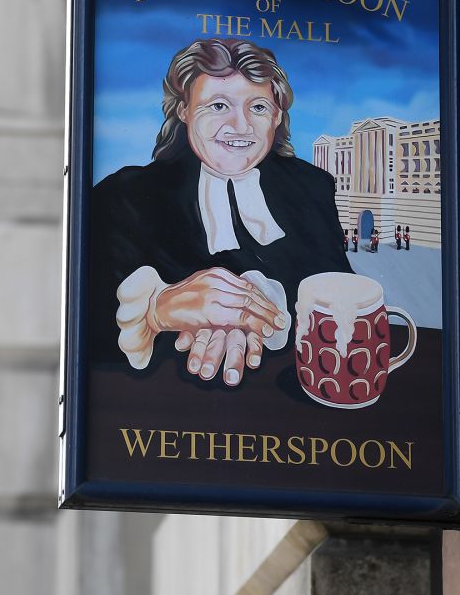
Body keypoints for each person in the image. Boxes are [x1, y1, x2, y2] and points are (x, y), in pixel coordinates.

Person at [90, 38, 352, 386]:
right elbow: (81, 321)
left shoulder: (313, 188)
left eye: (258, 107)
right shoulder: (124, 195)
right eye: (217, 106)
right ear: (183, 111)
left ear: (276, 116)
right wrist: (155, 312)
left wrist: (256, 315)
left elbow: (343, 298)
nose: (241, 126)